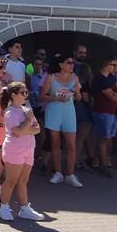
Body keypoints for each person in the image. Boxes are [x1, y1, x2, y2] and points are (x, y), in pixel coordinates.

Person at [0, 82, 45, 221]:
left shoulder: (26, 109)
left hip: (28, 149)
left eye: (26, 92)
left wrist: (26, 127)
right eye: (23, 93)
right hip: (14, 150)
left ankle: (24, 208)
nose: (26, 95)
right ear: (13, 95)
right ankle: (4, 207)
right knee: (11, 180)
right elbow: (17, 132)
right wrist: (28, 121)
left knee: (23, 180)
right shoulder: (10, 112)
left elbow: (37, 129)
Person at [41, 54, 84, 188]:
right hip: (54, 111)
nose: (72, 65)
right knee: (55, 144)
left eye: (72, 63)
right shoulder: (51, 77)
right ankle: (58, 172)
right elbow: (42, 96)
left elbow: (79, 98)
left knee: (71, 144)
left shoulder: (75, 78)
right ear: (61, 65)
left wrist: (77, 92)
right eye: (69, 62)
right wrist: (55, 98)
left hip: (69, 112)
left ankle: (70, 174)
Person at [89, 58, 117, 177]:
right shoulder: (99, 79)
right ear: (106, 65)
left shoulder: (112, 78)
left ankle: (97, 161)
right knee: (104, 138)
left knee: (108, 138)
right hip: (102, 111)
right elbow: (113, 96)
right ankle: (103, 165)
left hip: (111, 111)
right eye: (114, 65)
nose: (116, 67)